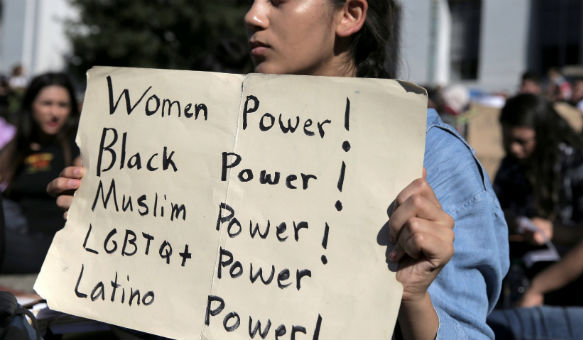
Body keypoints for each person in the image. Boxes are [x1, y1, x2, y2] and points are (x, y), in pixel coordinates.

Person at [46, 1, 509, 339]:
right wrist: (109, 223)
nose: (253, 15)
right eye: (252, 0)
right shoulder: (211, 133)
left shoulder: (435, 164)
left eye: (279, 0)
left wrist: (414, 299)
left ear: (350, 15)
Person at [493, 94, 583, 244]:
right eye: (507, 139)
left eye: (522, 141)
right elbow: (494, 209)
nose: (514, 148)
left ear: (544, 135)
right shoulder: (511, 165)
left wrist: (554, 231)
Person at [0, 72, 80, 273]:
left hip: (52, 243)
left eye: (62, 105)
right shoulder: (16, 147)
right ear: (31, 106)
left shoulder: (77, 147)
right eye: (47, 103)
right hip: (17, 233)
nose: (55, 112)